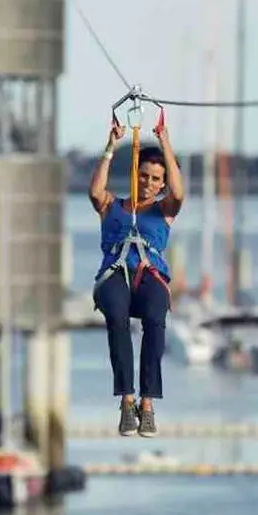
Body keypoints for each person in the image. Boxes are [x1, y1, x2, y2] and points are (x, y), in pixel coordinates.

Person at [88, 119, 185, 437]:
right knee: (116, 315)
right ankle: (126, 401)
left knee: (156, 319)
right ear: (134, 175)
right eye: (143, 175)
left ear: (162, 183)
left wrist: (165, 142)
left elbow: (179, 192)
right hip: (115, 275)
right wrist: (111, 146)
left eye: (155, 179)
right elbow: (95, 191)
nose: (147, 183)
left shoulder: (163, 210)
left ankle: (147, 404)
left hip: (150, 278)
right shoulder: (112, 206)